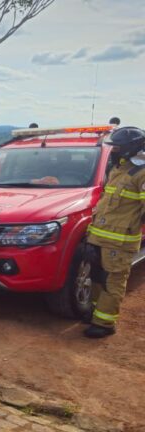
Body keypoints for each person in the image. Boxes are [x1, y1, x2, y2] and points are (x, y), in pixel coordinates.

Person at [83, 126, 145, 338]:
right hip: (99, 236)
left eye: (118, 147)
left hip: (120, 242)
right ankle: (94, 313)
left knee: (113, 281)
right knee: (98, 278)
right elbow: (105, 205)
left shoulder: (142, 173)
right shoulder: (119, 169)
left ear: (130, 148)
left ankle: (105, 323)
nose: (114, 150)